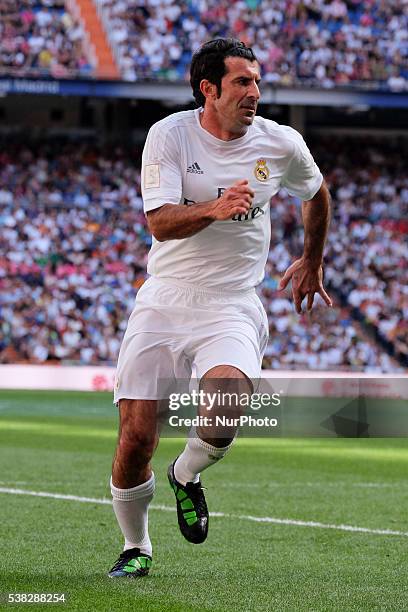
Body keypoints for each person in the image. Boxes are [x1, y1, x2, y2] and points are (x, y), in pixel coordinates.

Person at [108, 38, 332, 578]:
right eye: (241, 82)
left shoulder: (280, 143)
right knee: (137, 435)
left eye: (256, 81)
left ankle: (187, 475)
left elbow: (316, 193)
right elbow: (159, 221)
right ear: (208, 89)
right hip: (164, 298)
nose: (254, 92)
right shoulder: (169, 135)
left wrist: (311, 260)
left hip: (231, 302)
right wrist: (215, 207)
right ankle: (136, 547)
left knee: (228, 406)